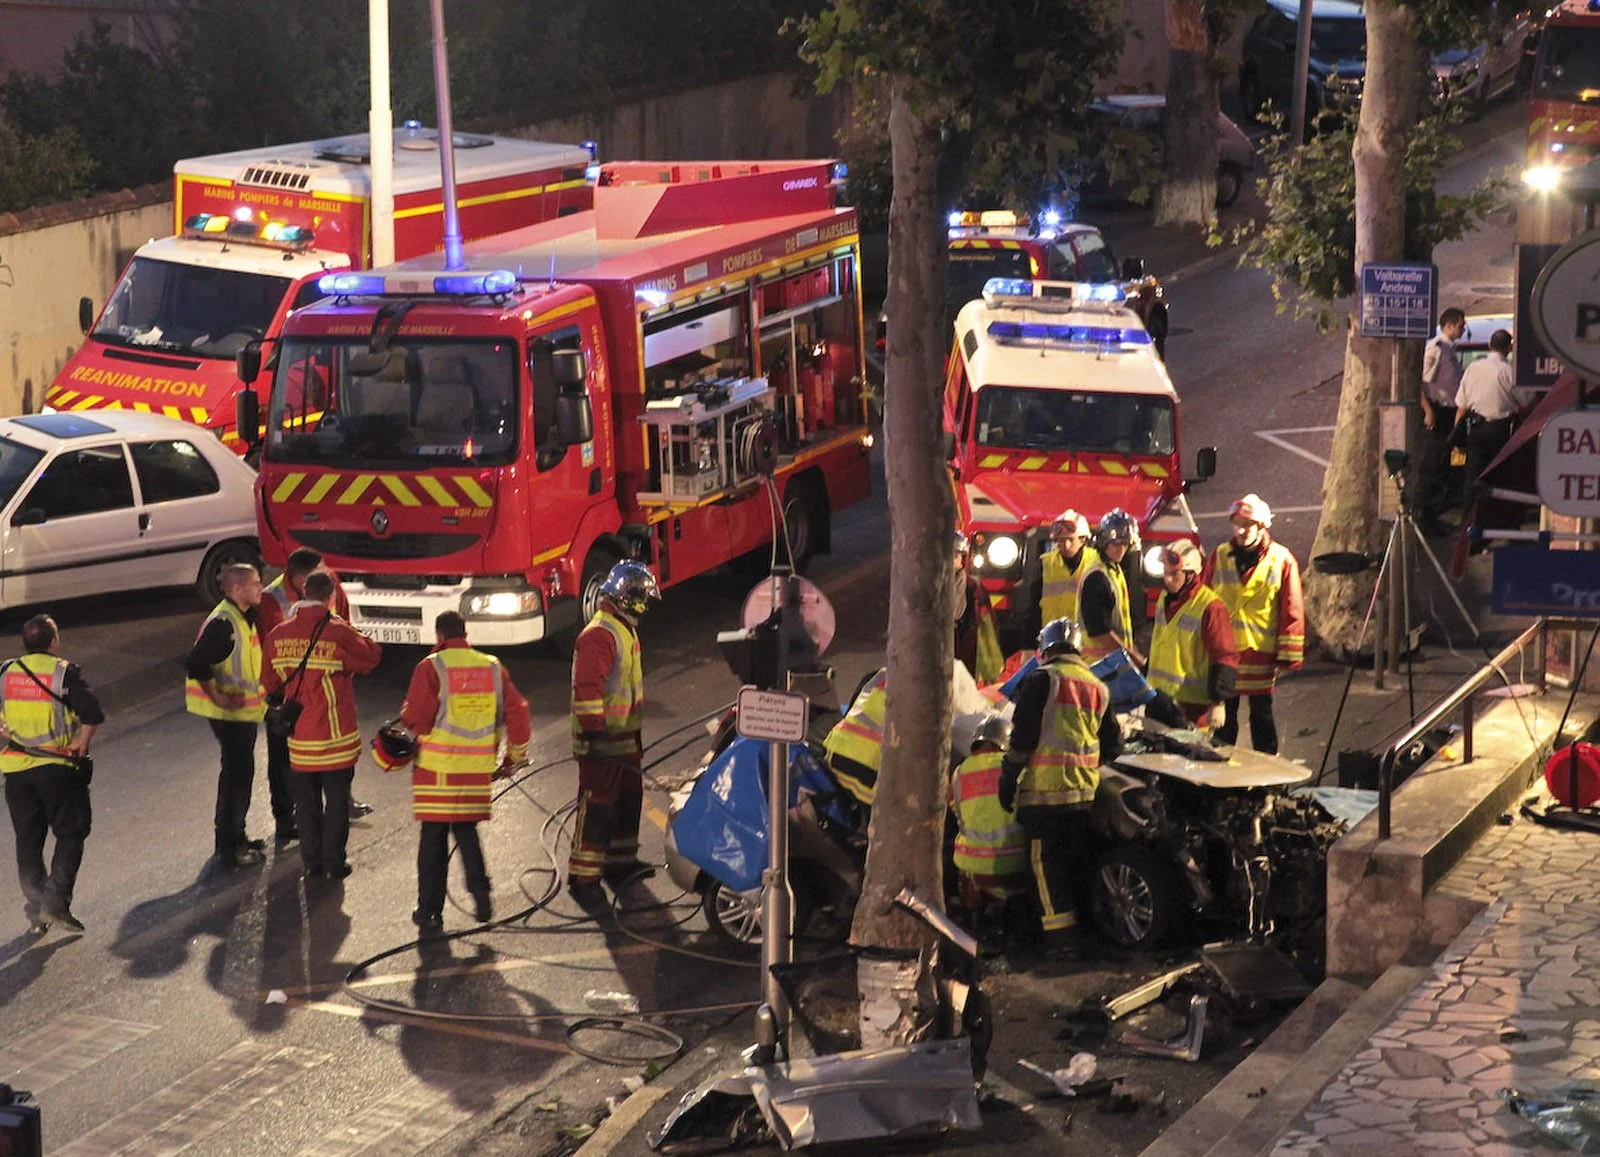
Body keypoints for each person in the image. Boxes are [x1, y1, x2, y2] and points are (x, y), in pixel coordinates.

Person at [374, 612, 531, 938]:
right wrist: (514, 758)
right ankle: (481, 894)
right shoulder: (492, 667)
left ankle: (429, 912)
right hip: (476, 770)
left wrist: (405, 714)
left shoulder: (431, 667)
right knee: (466, 831)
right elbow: (518, 713)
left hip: (437, 770)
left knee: (432, 840)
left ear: (440, 635)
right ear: (464, 633)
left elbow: (419, 719)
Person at [999, 617, 1120, 949]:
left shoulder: (1042, 680)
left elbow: (1023, 739)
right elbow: (1113, 746)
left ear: (1045, 649)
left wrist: (1008, 776)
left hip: (1044, 795)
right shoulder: (1098, 686)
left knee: (1045, 869)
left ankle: (1060, 941)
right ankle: (1082, 932)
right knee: (1073, 864)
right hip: (1084, 795)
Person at [261, 570, 382, 880]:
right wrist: (345, 631)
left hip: (300, 740)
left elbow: (270, 682)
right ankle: (334, 863)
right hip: (336, 738)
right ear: (330, 597)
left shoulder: (278, 635)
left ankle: (312, 863)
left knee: (306, 805)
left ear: (303, 592)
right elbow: (371, 657)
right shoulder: (337, 631)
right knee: (337, 804)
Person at [2, 615, 103, 935]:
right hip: (57, 769)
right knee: (72, 833)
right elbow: (93, 713)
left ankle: (36, 911)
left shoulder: (6, 672)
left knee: (28, 842)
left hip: (16, 772)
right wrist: (81, 743)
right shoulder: (63, 673)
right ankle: (56, 902)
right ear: (53, 641)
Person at [568, 560, 660, 904]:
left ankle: (621, 863)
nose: (645, 605)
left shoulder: (624, 628)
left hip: (624, 740)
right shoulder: (600, 634)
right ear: (625, 596)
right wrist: (595, 736)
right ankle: (584, 878)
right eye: (642, 598)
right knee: (598, 808)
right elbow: (587, 690)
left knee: (628, 802)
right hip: (602, 742)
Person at [184, 562, 269, 867]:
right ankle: (231, 845)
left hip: (241, 714)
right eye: (255, 583)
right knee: (237, 778)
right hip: (230, 715)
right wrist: (218, 696)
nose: (260, 587)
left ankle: (234, 838)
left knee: (237, 775)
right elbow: (195, 663)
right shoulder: (224, 623)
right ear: (236, 589)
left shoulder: (242, 617)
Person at [1205, 496, 1304, 754]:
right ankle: (1222, 769)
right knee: (1224, 722)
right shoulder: (1220, 555)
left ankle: (1266, 770)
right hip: (1226, 655)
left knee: (1262, 717)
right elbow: (1204, 602)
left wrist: (1288, 656)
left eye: (1247, 525)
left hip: (1260, 654)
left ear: (1262, 526)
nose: (1240, 530)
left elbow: (1291, 608)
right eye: (1237, 524)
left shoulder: (1281, 559)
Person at [949, 714, 1030, 933]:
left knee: (961, 858)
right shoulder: (1019, 770)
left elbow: (953, 807)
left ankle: (973, 920)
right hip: (1016, 864)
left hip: (975, 868)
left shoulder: (959, 772)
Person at [1147, 539, 1238, 729]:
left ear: (1191, 574)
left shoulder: (1210, 607)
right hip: (1158, 701)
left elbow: (1225, 656)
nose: (1168, 580)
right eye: (1165, 573)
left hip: (1192, 711)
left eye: (1174, 574)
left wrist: (1219, 701)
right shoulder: (1164, 598)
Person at [1452, 328, 1520, 518]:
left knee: (1472, 481)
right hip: (1501, 430)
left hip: (1475, 429)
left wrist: (1457, 437)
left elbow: (1461, 406)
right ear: (1509, 348)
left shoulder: (1473, 369)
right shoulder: (1510, 371)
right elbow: (1527, 399)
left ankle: (1468, 524)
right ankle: (1496, 521)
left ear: (1490, 345)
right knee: (1499, 479)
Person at [1417, 308, 1466, 535]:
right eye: (1460, 325)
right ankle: (1425, 520)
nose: (1463, 330)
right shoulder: (1435, 349)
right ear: (1448, 325)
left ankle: (1434, 518)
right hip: (1438, 412)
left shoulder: (1448, 349)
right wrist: (1428, 410)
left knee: (1443, 465)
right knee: (1432, 466)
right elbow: (1421, 382)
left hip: (1449, 412)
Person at [1080, 508, 1144, 665]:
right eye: (1116, 544)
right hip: (1099, 666)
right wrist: (1132, 658)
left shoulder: (1113, 569)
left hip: (1111, 663)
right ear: (1104, 542)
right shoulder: (1097, 577)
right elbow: (1099, 631)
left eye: (1125, 544)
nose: (1121, 549)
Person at [822, 667, 885, 810]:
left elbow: (850, 713)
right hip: (871, 782)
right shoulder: (933, 696)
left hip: (834, 761)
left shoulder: (878, 675)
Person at [953, 533, 1004, 683]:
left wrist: (991, 669)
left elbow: (988, 631)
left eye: (955, 555)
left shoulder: (974, 589)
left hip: (966, 658)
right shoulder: (928, 590)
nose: (951, 560)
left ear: (962, 558)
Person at [1038, 509, 1100, 631]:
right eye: (1061, 540)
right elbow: (1032, 608)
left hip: (1087, 638)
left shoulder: (1097, 563)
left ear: (1082, 540)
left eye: (1071, 540)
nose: (1066, 545)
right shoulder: (1045, 564)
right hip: (1053, 637)